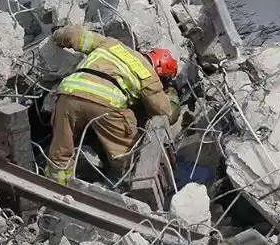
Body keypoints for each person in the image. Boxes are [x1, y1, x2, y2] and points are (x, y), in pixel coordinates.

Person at [43, 25, 181, 185]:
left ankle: (56, 190)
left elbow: (74, 35)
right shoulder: (149, 75)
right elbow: (165, 112)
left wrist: (58, 33)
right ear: (161, 72)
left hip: (69, 93)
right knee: (128, 158)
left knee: (61, 151)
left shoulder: (112, 44)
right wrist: (171, 93)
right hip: (105, 104)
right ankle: (125, 189)